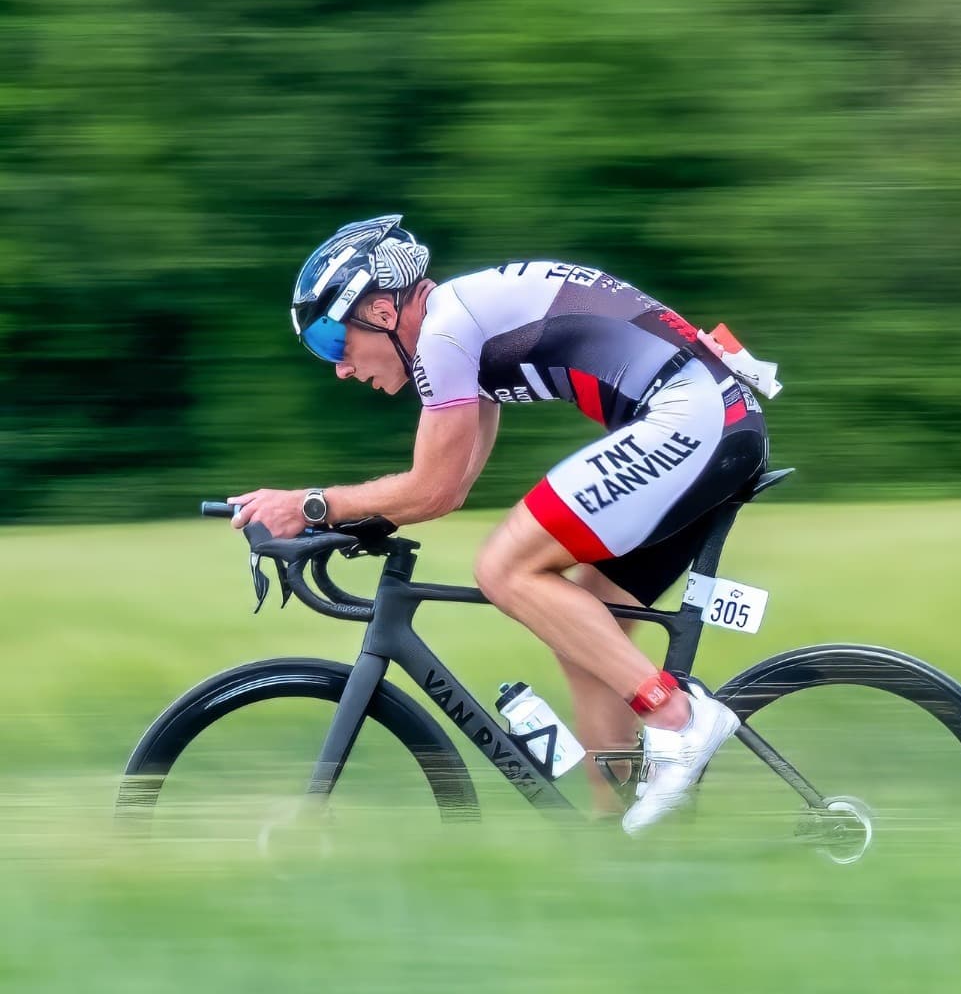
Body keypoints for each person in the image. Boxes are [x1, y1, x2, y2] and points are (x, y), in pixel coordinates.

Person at [229, 214, 774, 834]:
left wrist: (310, 505)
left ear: (381, 310)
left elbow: (429, 486)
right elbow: (448, 489)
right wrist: (348, 514)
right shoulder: (467, 329)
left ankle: (676, 719)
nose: (340, 368)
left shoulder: (444, 333)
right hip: (715, 419)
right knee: (588, 630)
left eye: (333, 341)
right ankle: (622, 843)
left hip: (695, 419)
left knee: (503, 569)